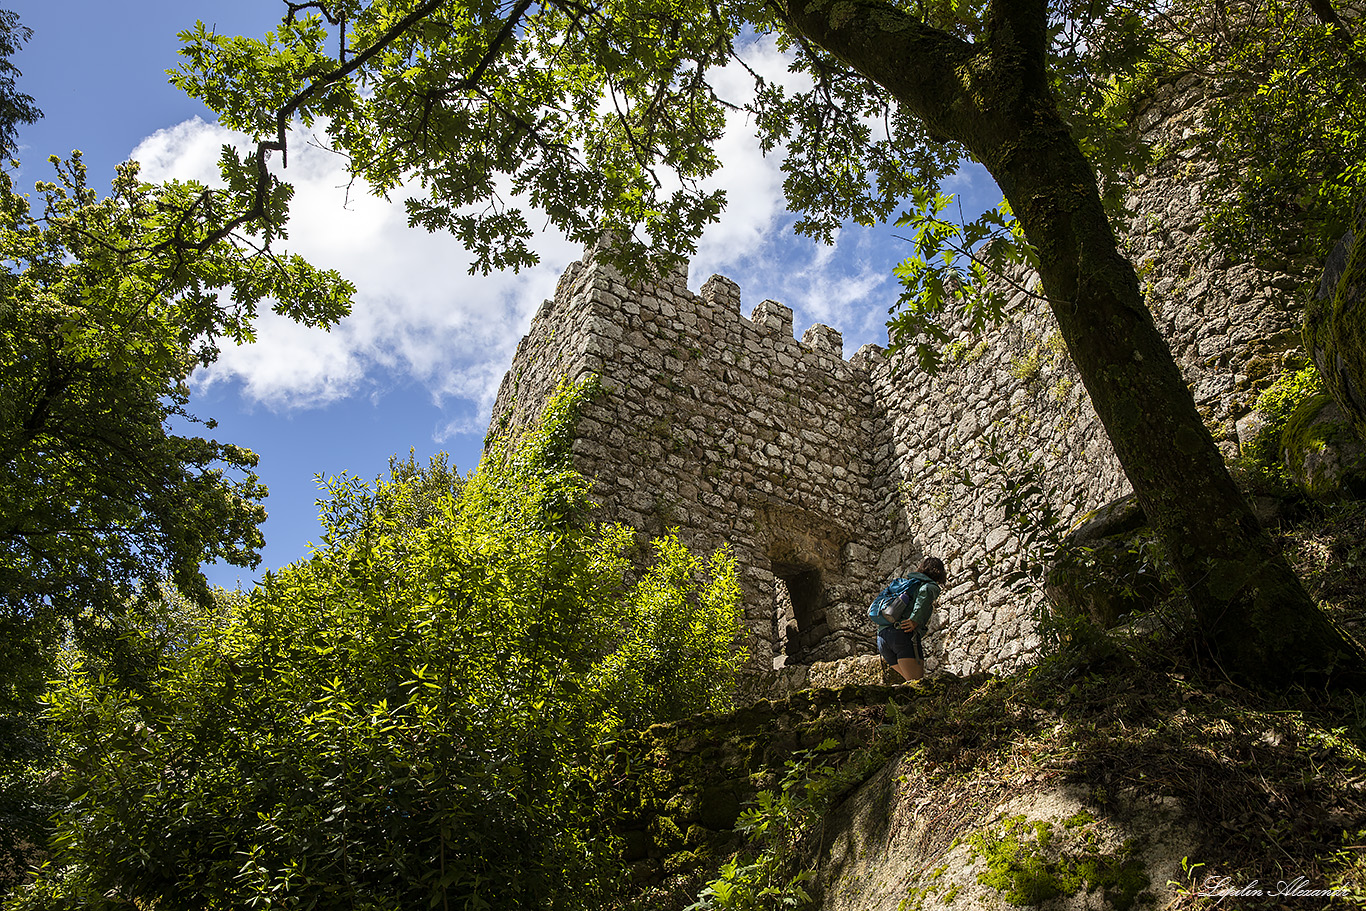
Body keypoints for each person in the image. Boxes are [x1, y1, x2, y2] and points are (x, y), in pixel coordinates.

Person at [877, 556, 947, 683]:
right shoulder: (929, 585)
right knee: (917, 684)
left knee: (909, 682)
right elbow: (925, 592)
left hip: (882, 638)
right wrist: (915, 619)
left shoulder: (906, 584)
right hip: (902, 635)